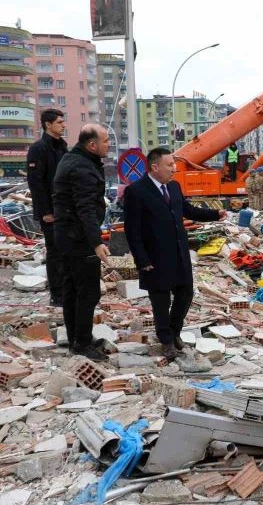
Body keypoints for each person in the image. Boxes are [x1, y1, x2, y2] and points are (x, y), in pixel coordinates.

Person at [124, 148, 226, 360]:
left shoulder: (174, 186)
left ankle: (175, 331)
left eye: (174, 164)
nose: (174, 168)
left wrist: (215, 214)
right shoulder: (137, 191)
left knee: (185, 294)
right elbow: (132, 231)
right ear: (155, 167)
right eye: (169, 165)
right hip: (154, 257)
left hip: (179, 253)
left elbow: (188, 210)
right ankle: (166, 341)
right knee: (161, 302)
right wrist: (141, 260)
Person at [52, 125, 112, 362]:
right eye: (106, 141)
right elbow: (85, 208)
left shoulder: (73, 159)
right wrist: (96, 242)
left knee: (72, 290)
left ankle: (77, 337)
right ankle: (82, 343)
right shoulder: (82, 167)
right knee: (87, 292)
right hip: (78, 239)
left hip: (67, 235)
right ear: (92, 145)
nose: (109, 145)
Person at [26, 108, 68, 306]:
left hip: (66, 210)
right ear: (48, 124)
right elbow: (36, 184)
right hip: (51, 212)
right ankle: (57, 295)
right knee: (55, 252)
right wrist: (46, 212)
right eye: (59, 122)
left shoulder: (62, 147)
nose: (63, 125)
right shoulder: (39, 149)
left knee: (67, 251)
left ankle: (67, 291)